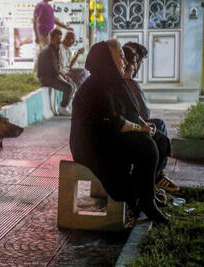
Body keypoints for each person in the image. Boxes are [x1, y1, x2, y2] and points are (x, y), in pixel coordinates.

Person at [70, 39, 169, 224]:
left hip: (109, 137)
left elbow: (130, 112)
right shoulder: (97, 85)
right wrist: (141, 129)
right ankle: (145, 202)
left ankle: (145, 195)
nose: (124, 60)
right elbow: (115, 122)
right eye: (120, 56)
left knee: (159, 140)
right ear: (106, 59)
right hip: (92, 145)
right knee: (145, 145)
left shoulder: (114, 82)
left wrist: (144, 127)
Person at [122, 42, 179, 193]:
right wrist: (141, 127)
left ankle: (156, 175)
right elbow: (142, 114)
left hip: (123, 127)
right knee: (160, 137)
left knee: (158, 126)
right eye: (135, 61)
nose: (136, 66)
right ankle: (151, 180)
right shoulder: (126, 83)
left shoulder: (117, 81)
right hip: (119, 134)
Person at [37, 29, 75, 116]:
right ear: (52, 39)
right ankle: (62, 107)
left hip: (51, 76)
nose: (59, 41)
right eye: (57, 38)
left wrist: (65, 76)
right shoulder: (49, 51)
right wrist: (63, 79)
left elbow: (57, 67)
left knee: (72, 85)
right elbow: (54, 71)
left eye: (60, 38)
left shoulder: (55, 49)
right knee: (68, 87)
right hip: (46, 78)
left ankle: (67, 105)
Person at [33, 0, 72, 71]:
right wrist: (36, 36)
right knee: (47, 54)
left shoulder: (49, 6)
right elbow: (35, 21)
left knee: (42, 54)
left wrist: (65, 27)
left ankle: (36, 73)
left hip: (49, 34)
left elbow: (54, 20)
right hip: (43, 34)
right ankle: (40, 73)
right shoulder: (40, 5)